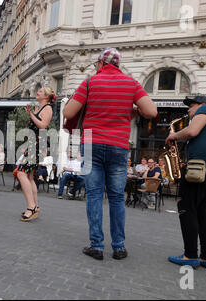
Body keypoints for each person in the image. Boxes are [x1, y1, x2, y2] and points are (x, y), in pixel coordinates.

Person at [64, 47, 157, 261]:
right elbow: (151, 112)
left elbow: (69, 112)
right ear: (118, 64)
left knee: (95, 195)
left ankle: (96, 246)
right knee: (116, 197)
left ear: (100, 64)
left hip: (91, 144)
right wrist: (132, 110)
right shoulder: (131, 83)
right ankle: (119, 247)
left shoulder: (89, 82)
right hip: (118, 145)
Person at [166, 95, 206, 270]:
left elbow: (192, 132)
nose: (188, 110)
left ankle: (190, 255)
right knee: (203, 212)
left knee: (186, 208)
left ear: (202, 105)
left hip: (199, 168)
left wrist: (174, 135)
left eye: (191, 106)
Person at [17, 87, 55, 221]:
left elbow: (43, 126)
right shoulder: (39, 108)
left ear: (46, 96)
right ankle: (35, 206)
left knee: (21, 173)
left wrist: (31, 115)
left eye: (40, 91)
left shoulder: (48, 108)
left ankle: (31, 207)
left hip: (37, 144)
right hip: (34, 143)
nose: (37, 93)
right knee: (30, 176)